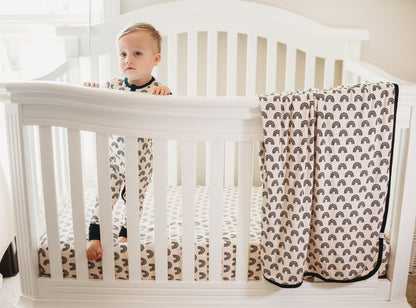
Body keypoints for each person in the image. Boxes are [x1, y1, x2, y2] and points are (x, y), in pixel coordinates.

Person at [84, 23, 171, 261]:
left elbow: (170, 113)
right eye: (122, 54)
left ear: (156, 59)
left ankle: (125, 236)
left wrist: (166, 95)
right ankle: (95, 237)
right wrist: (91, 91)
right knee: (104, 195)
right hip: (113, 159)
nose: (128, 59)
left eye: (137, 53)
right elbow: (94, 101)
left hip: (140, 164)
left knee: (133, 201)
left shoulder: (157, 91)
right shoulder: (113, 86)